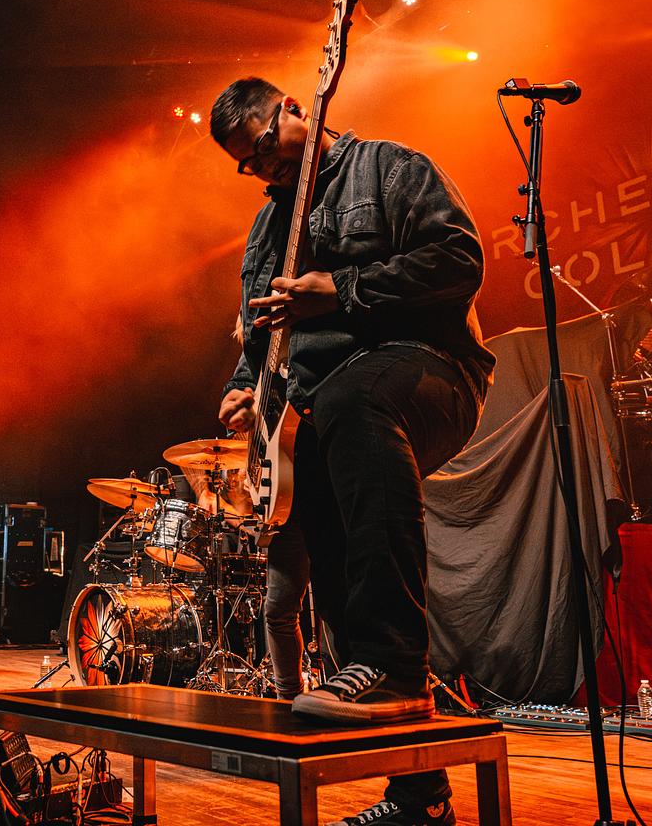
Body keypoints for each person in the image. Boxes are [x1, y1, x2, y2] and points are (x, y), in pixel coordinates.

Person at [210, 77, 494, 826]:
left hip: (430, 369)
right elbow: (260, 336)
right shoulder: (265, 230)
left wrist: (341, 289)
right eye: (247, 164)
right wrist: (243, 389)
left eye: (263, 146)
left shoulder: (388, 168)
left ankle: (397, 663)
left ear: (295, 109)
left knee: (349, 401)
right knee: (328, 539)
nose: (261, 168)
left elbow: (459, 261)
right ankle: (418, 796)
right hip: (326, 408)